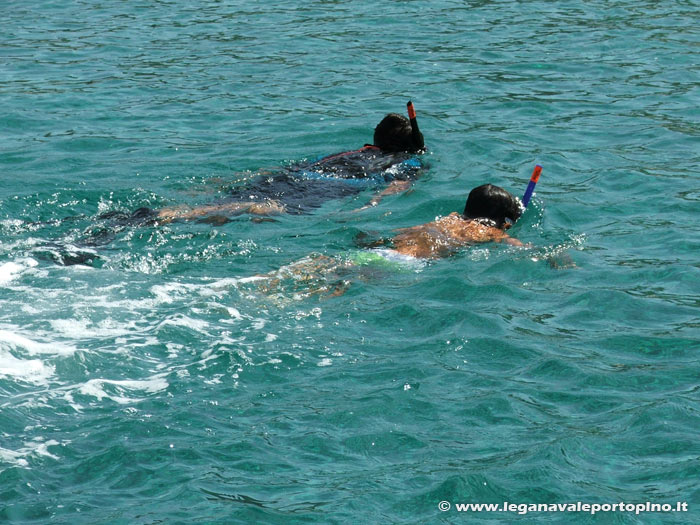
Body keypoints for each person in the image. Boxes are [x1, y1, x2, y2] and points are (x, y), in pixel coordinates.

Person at [254, 184, 526, 298]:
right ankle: (301, 299)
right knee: (343, 285)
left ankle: (269, 283)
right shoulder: (485, 231)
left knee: (332, 267)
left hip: (386, 249)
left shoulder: (448, 219)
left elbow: (407, 230)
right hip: (403, 264)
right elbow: (518, 247)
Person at [157, 111, 426, 222]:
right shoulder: (407, 162)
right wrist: (368, 207)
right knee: (264, 208)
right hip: (324, 189)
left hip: (294, 176)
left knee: (234, 201)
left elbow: (296, 167)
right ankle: (182, 215)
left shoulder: (347, 152)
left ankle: (168, 213)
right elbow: (396, 187)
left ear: (376, 137)